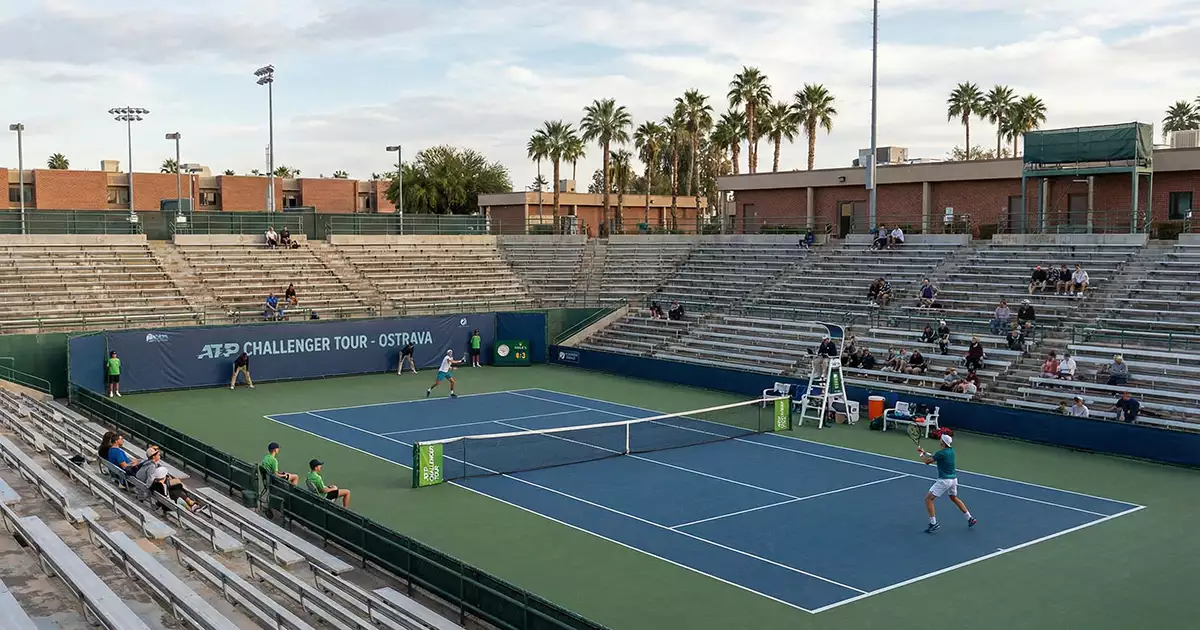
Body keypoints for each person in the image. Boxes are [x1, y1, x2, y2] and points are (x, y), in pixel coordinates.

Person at [919, 433, 977, 533]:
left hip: (944, 481)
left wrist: (921, 454)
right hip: (953, 480)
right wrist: (925, 452)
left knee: (928, 499)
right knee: (954, 498)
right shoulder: (951, 451)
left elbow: (927, 462)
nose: (939, 440)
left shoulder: (941, 453)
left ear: (943, 442)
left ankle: (933, 523)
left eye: (941, 439)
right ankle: (970, 518)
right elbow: (937, 456)